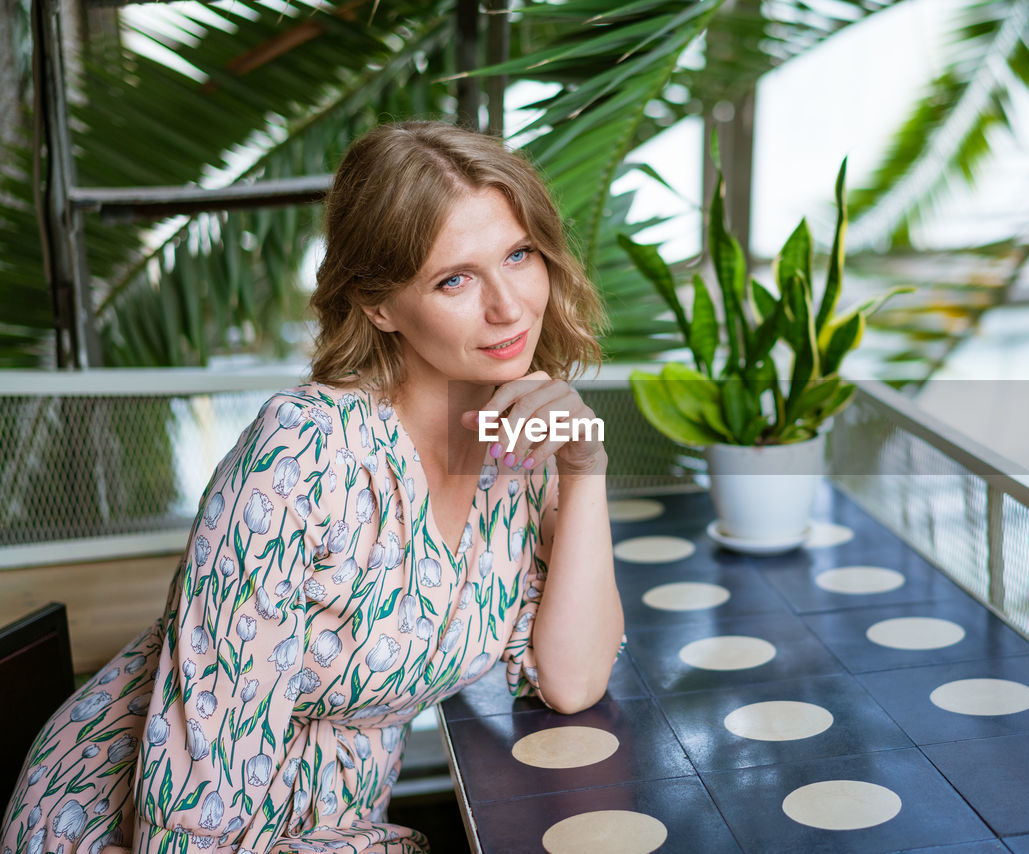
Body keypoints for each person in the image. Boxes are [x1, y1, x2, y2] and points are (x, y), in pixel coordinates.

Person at [1, 121, 624, 854]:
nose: (509, 306)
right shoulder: (303, 453)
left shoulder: (512, 442)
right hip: (132, 830)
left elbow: (572, 681)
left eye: (518, 255)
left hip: (331, 829)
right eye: (454, 278)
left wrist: (585, 471)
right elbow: (197, 798)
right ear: (377, 304)